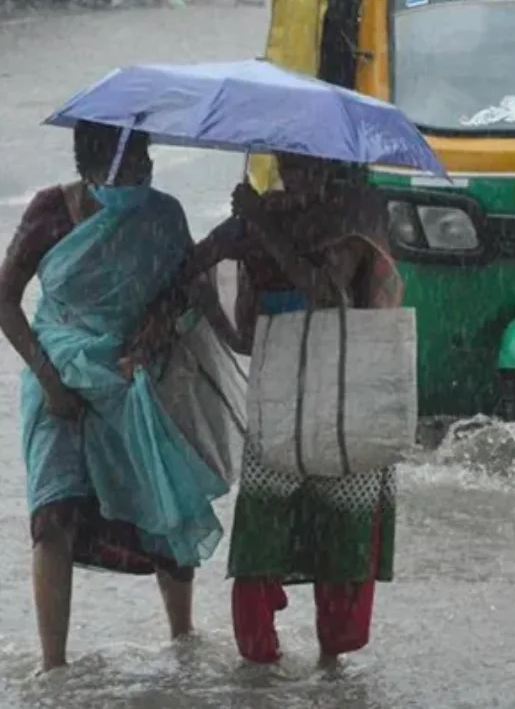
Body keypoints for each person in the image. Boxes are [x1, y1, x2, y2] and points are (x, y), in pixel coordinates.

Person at [148, 152, 403, 664]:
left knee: (343, 531)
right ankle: (259, 666)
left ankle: (332, 659)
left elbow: (326, 296)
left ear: (329, 171)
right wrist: (194, 305)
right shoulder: (253, 222)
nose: (299, 179)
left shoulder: (351, 217)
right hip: (278, 398)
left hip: (344, 396)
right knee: (261, 535)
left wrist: (262, 224)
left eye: (309, 168)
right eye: (290, 168)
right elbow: (229, 318)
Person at [0, 120, 228, 672]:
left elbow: (185, 290)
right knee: (54, 514)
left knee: (164, 505)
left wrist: (151, 336)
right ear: (88, 170)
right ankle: (53, 665)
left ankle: (183, 640)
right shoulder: (50, 212)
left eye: (141, 169)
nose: (134, 181)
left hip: (133, 379)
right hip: (57, 370)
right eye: (121, 172)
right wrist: (51, 382)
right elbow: (6, 298)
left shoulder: (163, 215)